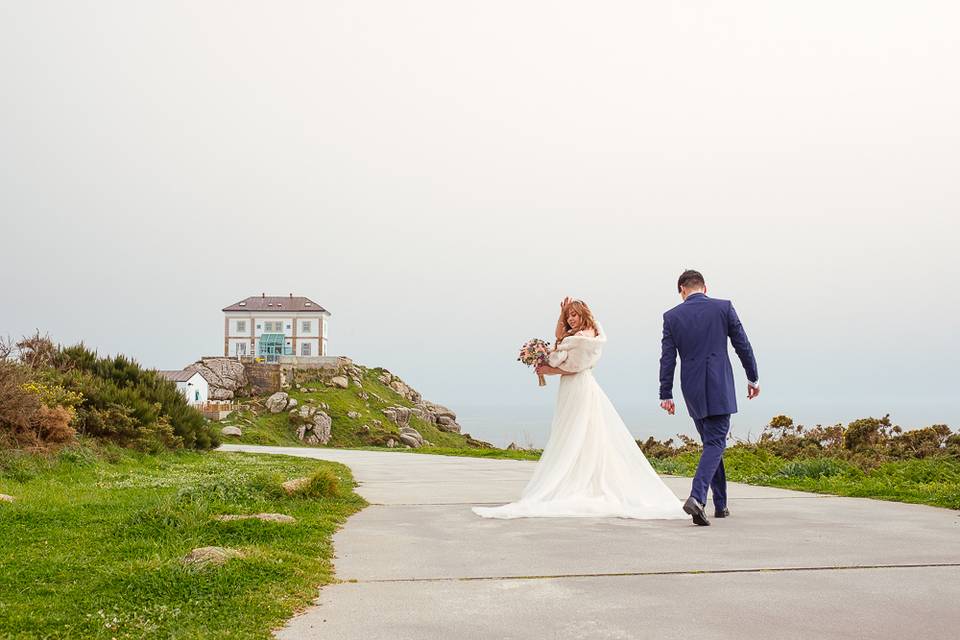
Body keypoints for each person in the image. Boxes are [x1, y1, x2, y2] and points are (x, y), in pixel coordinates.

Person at [472, 298, 686, 520]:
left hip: (577, 386)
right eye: (568, 316)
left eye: (574, 314)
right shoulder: (589, 335)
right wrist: (561, 314)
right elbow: (559, 338)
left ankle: (576, 481)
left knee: (572, 431)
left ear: (584, 314)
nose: (570, 319)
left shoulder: (580, 340)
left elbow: (571, 367)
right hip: (582, 385)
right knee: (584, 432)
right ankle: (583, 476)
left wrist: (548, 369)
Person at [659, 270, 760, 526]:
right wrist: (753, 378)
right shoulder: (723, 308)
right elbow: (743, 345)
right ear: (705, 287)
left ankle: (722, 505)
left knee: (712, 444)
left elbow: (668, 358)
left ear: (682, 290)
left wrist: (665, 393)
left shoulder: (672, 317)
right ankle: (697, 497)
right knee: (715, 443)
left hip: (691, 388)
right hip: (719, 384)